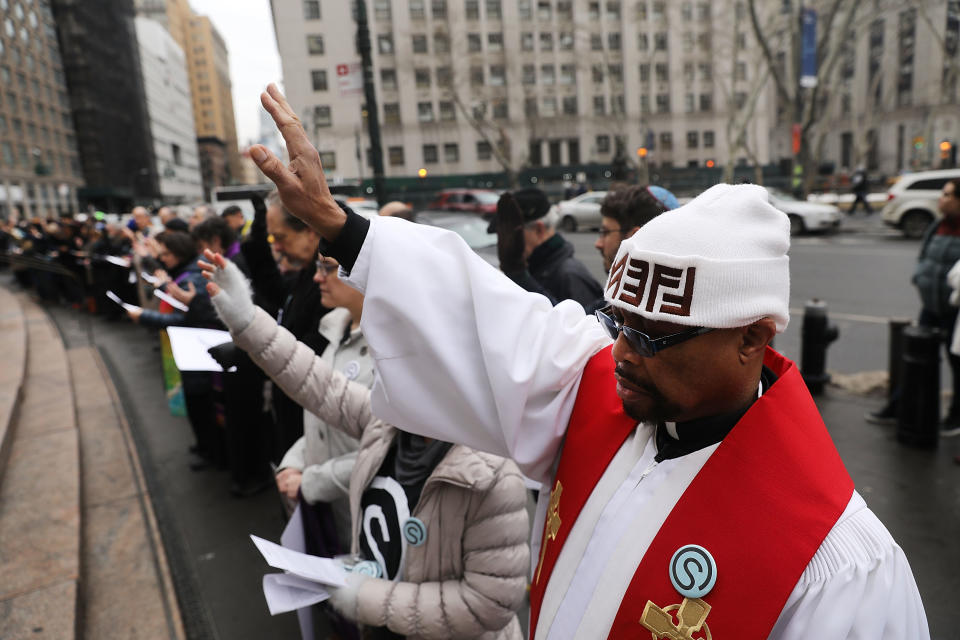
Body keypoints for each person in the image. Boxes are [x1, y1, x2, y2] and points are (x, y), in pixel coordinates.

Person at [248, 84, 929, 639]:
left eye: (655, 336)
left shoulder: (838, 569)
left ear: (751, 339)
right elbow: (486, 315)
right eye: (620, 321)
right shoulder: (601, 390)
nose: (622, 353)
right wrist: (344, 226)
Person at [201, 249, 531, 640]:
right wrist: (246, 319)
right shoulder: (390, 420)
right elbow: (315, 380)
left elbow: (486, 607)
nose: (384, 368)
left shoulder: (491, 475)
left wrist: (363, 595)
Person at [241, 192, 329, 461]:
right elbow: (278, 292)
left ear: (310, 232)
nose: (276, 247)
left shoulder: (331, 284)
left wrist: (256, 347)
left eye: (280, 238)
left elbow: (310, 352)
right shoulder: (308, 271)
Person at [869, 177, 960, 436]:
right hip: (930, 306)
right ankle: (899, 406)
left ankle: (955, 417)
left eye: (948, 195)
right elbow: (925, 255)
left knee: (956, 365)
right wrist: (919, 276)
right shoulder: (939, 225)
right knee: (914, 360)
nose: (942, 199)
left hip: (956, 311)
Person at [494, 188, 602, 308]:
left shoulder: (569, 276)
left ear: (539, 230)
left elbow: (579, 324)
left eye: (511, 234)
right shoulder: (536, 267)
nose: (505, 242)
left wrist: (518, 275)